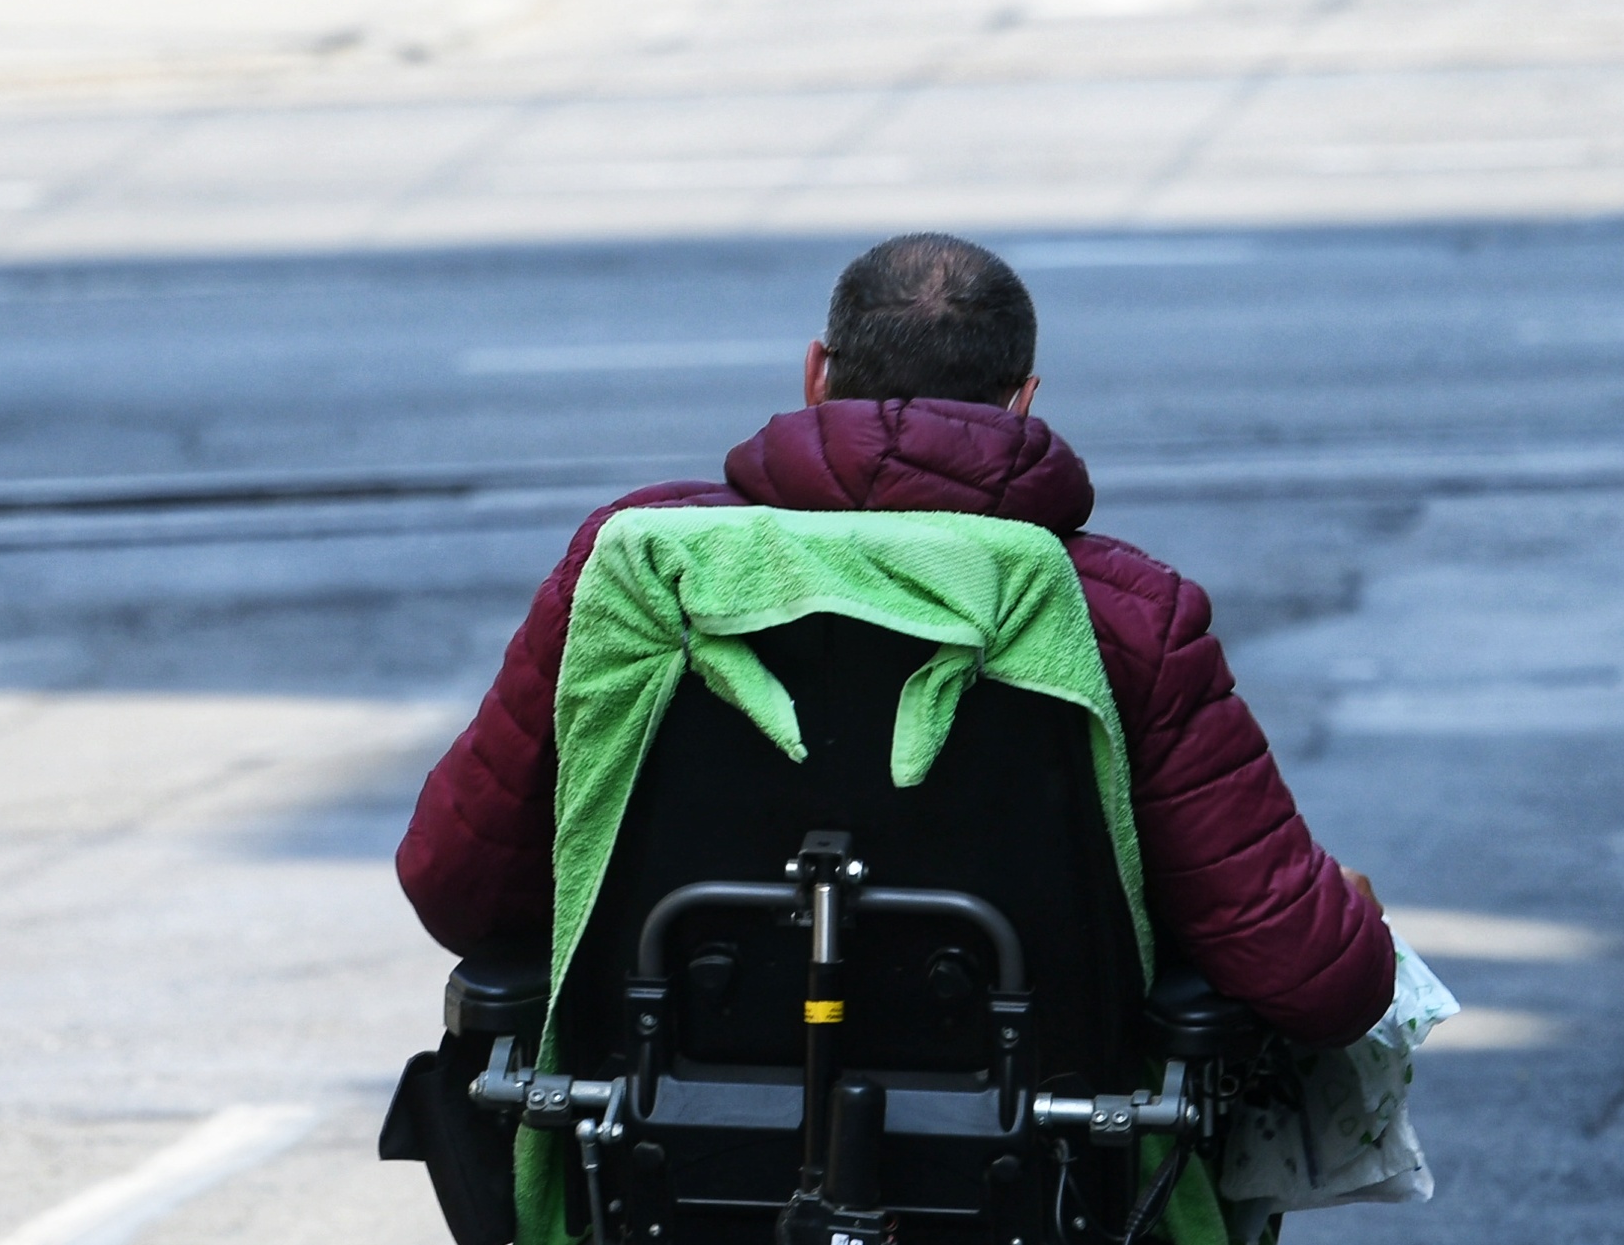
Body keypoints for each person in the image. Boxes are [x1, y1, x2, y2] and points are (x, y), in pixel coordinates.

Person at [395, 232, 1401, 1051]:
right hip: (1038, 1168)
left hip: (664, 1124)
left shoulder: (642, 566)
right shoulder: (1124, 611)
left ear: (816, 375)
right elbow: (1314, 982)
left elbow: (458, 883)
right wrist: (1350, 919)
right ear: (1021, 399)